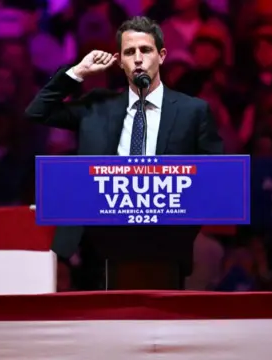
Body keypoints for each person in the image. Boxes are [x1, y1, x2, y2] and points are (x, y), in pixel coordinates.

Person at [25, 16, 224, 290]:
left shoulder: (193, 111)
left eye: (146, 50)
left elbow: (215, 177)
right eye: (130, 52)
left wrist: (183, 230)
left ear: (162, 55)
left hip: (165, 244)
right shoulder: (98, 106)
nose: (138, 59)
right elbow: (38, 111)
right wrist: (78, 72)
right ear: (120, 61)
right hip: (97, 244)